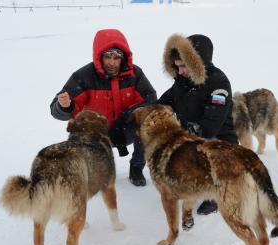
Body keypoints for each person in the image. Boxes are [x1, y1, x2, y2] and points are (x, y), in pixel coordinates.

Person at [50, 29, 157, 187]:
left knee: (149, 124)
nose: (112, 63)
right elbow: (56, 110)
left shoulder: (135, 74)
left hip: (125, 130)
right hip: (96, 134)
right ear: (99, 56)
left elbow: (150, 99)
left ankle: (136, 168)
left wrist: (126, 117)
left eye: (116, 58)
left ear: (123, 57)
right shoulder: (84, 76)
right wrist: (64, 106)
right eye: (108, 57)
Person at [157, 33, 238, 215]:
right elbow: (162, 103)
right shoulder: (182, 82)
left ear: (198, 63)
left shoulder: (219, 83)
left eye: (184, 66)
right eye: (177, 67)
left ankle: (215, 193)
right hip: (191, 138)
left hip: (220, 143)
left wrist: (178, 129)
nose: (180, 72)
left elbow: (209, 128)